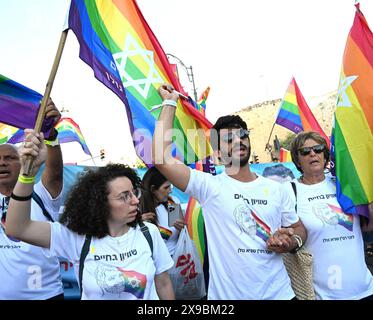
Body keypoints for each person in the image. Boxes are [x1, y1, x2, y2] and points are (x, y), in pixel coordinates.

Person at [152, 84, 307, 300]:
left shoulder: (276, 189)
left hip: (280, 295)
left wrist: (290, 242)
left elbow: (298, 229)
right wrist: (170, 103)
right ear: (217, 152)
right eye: (228, 139)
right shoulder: (209, 186)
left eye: (242, 135)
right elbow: (161, 159)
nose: (238, 140)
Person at [6, 129, 175, 300]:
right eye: (124, 196)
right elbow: (17, 228)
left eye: (134, 192)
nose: (136, 201)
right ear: (100, 203)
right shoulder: (77, 237)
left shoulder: (149, 233)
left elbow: (163, 283)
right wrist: (27, 176)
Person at [286, 131, 373, 300]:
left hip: (366, 290)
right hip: (323, 295)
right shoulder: (289, 191)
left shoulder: (342, 183)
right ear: (297, 160)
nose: (313, 153)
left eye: (318, 149)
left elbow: (366, 227)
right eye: (305, 151)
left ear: (325, 155)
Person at [0, 99, 64, 300]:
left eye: (10, 158)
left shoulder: (40, 194)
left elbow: (54, 174)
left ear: (23, 161)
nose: (2, 162)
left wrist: (50, 134)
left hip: (46, 296)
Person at [140, 166, 185, 256]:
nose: (170, 191)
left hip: (177, 260)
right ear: (153, 189)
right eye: (166, 187)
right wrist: (138, 224)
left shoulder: (171, 203)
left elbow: (177, 234)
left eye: (170, 186)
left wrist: (182, 230)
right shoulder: (137, 208)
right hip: (154, 262)